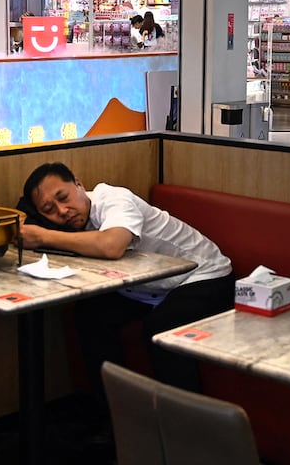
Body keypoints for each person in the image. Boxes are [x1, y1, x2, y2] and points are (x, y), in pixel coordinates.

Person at [17, 162, 235, 405]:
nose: (62, 211)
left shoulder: (114, 199)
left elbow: (111, 245)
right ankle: (114, 415)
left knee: (161, 329)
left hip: (204, 276)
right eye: (48, 209)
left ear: (79, 184)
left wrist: (43, 236)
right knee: (89, 315)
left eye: (63, 197)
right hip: (147, 286)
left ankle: (186, 427)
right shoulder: (66, 223)